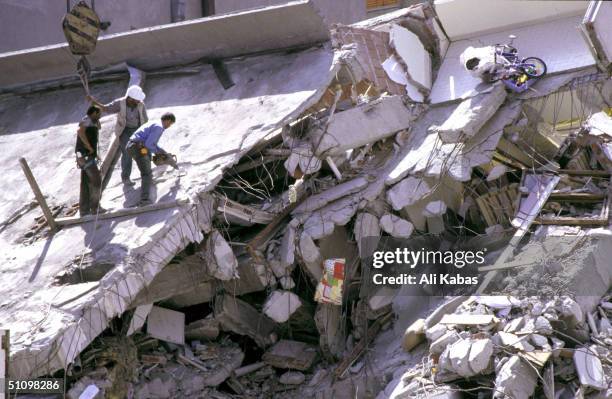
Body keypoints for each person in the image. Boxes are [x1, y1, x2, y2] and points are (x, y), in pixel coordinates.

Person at [87, 85, 148, 187]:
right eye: (136, 100)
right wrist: (93, 102)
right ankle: (126, 178)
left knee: (144, 151)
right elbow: (106, 108)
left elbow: (145, 119)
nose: (138, 102)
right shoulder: (120, 103)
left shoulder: (140, 104)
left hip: (138, 130)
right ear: (130, 98)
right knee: (127, 153)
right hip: (124, 130)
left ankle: (147, 174)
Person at [126, 112, 176, 206]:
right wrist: (160, 153)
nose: (169, 126)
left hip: (133, 146)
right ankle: (144, 200)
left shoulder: (154, 123)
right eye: (170, 124)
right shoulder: (159, 127)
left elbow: (151, 144)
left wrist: (162, 151)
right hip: (138, 147)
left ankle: (148, 187)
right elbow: (149, 144)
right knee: (146, 173)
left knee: (147, 164)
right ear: (168, 120)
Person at [75, 106, 105, 216]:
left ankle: (84, 210)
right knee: (97, 181)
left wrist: (95, 153)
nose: (100, 116)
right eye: (99, 113)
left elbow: (99, 127)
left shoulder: (92, 121)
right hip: (85, 156)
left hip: (85, 156)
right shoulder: (86, 120)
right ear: (94, 113)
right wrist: (89, 147)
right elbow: (80, 131)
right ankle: (95, 208)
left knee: (85, 183)